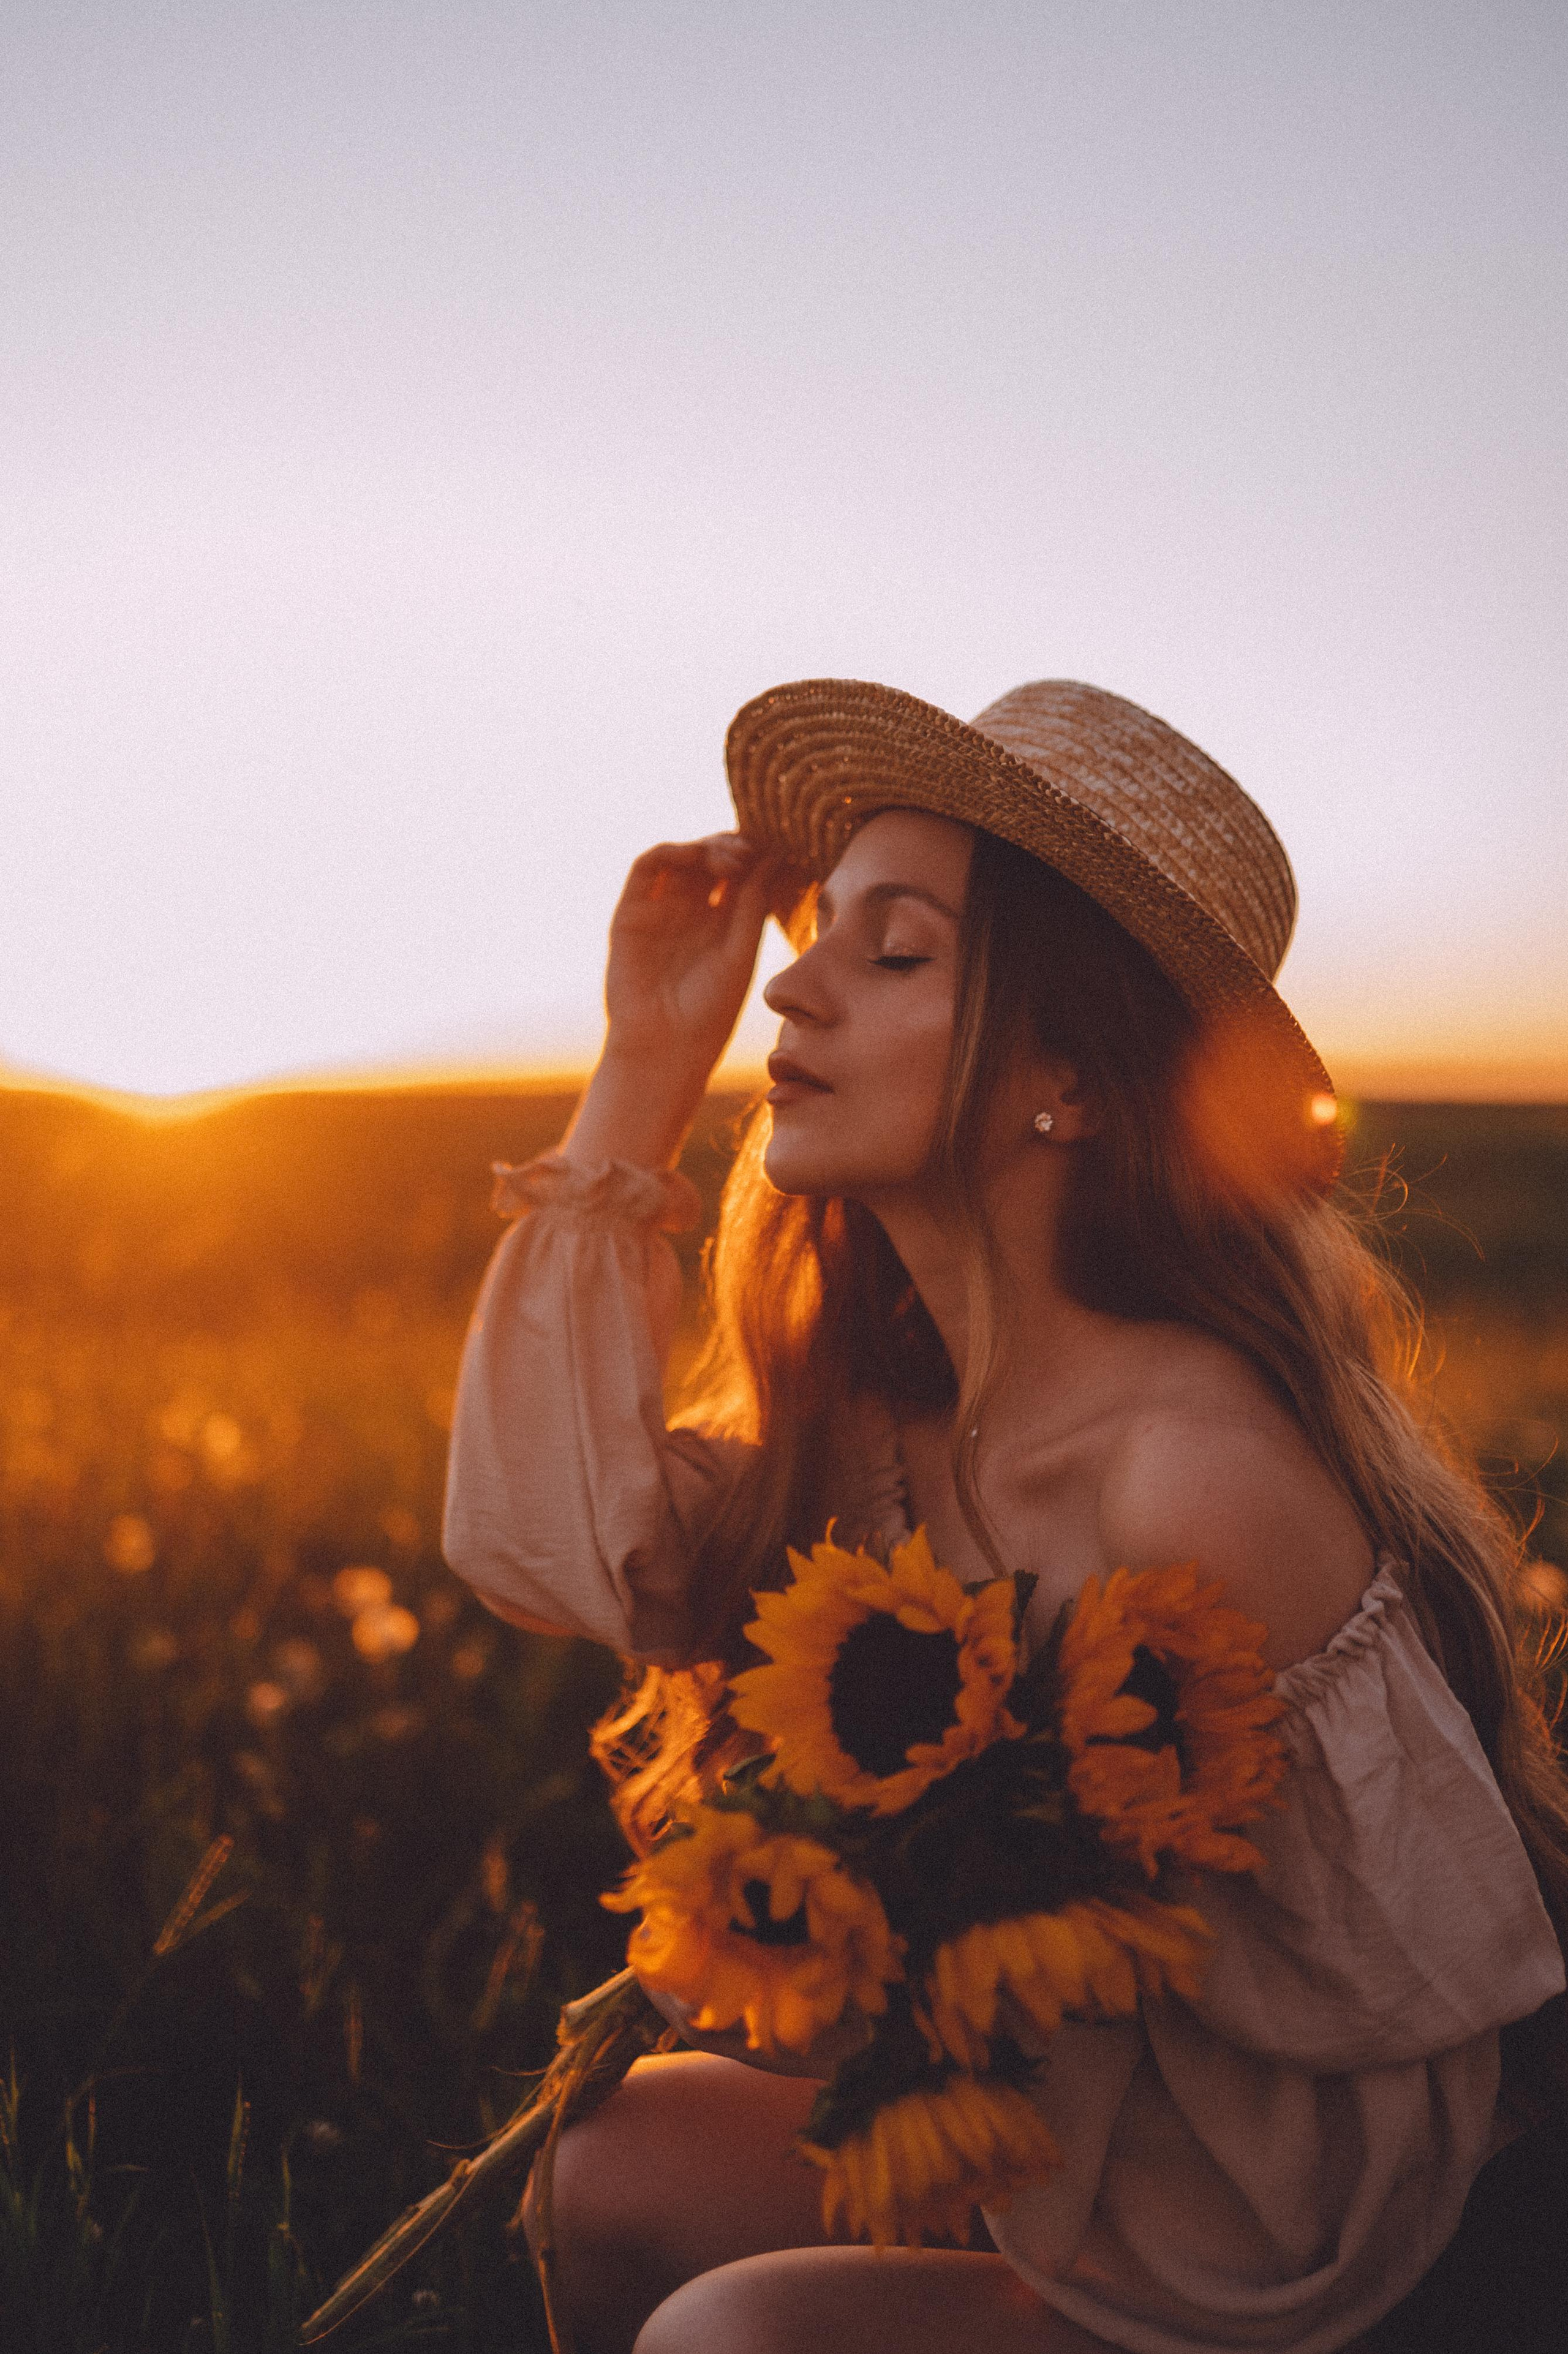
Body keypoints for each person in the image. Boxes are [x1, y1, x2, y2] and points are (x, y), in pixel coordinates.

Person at [443, 678, 1568, 2354]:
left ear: (1075, 1078)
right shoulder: (881, 1426)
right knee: (599, 2172)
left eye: (893, 955)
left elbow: (1417, 2013)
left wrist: (853, 1922)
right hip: (1070, 2136)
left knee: (727, 2336)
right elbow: (554, 1542)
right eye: (818, 934)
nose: (794, 986)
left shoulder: (1187, 1467)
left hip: (1289, 2236)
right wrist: (639, 1070)